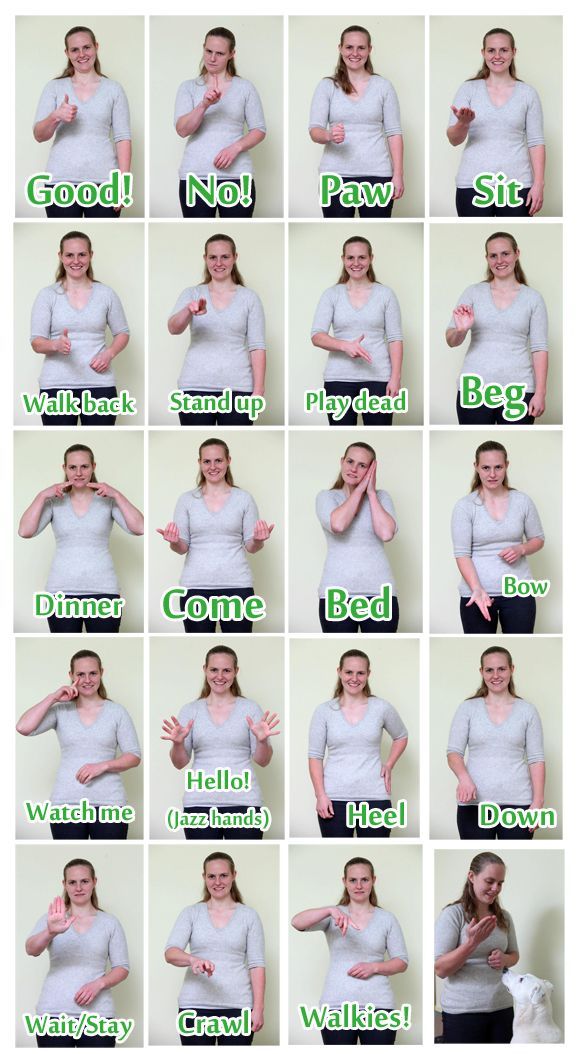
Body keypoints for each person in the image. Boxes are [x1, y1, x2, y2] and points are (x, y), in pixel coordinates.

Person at [18, 442, 144, 634]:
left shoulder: (108, 500)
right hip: (61, 593)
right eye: (72, 467)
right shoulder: (53, 502)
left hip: (103, 593)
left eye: (84, 466)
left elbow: (139, 527)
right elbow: (25, 531)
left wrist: (117, 494)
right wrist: (42, 495)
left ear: (93, 467)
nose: (78, 473)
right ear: (64, 468)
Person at [16, 649, 141, 840]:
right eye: (80, 674)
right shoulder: (61, 711)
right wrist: (53, 698)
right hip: (66, 804)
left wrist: (104, 765)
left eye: (93, 673)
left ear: (101, 673)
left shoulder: (117, 712)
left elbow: (133, 756)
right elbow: (23, 727)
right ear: (71, 676)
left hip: (109, 803)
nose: (87, 680)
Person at [161, 645, 279, 840]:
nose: (220, 676)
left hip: (245, 803)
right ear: (205, 670)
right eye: (214, 669)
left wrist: (263, 741)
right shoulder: (191, 710)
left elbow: (263, 761)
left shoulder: (250, 708)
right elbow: (179, 762)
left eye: (227, 670)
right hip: (199, 804)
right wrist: (178, 744)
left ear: (236, 672)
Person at [157, 439, 274, 634]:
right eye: (207, 461)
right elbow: (182, 548)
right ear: (199, 463)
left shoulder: (244, 498)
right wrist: (174, 541)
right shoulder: (186, 500)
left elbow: (251, 547)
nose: (213, 467)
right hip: (195, 588)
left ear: (228, 461)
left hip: (237, 587)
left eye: (218, 460)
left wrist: (259, 539)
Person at [291, 856, 408, 1045]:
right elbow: (296, 922)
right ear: (344, 882)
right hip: (336, 1006)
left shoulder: (387, 919)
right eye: (353, 880)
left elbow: (402, 962)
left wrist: (374, 967)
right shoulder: (333, 916)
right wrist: (329, 910)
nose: (359, 885)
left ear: (373, 881)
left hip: (378, 1006)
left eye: (365, 879)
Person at [446, 232, 548, 425]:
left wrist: (540, 393)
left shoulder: (533, 299)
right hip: (474, 390)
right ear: (487, 259)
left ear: (517, 254)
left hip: (518, 391)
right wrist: (461, 330)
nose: (499, 260)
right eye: (493, 255)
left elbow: (539, 348)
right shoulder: (473, 293)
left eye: (505, 253)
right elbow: (451, 340)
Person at [26, 858, 130, 1048]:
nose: (78, 887)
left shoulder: (109, 922)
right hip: (53, 1015)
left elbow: (122, 967)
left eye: (84, 881)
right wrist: (51, 931)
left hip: (98, 1017)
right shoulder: (52, 919)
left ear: (94, 882)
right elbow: (31, 949)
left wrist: (99, 983)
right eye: (72, 882)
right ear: (64, 884)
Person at [165, 852, 265, 1046]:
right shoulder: (191, 913)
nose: (217, 882)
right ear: (204, 877)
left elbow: (257, 964)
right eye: (211, 876)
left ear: (234, 875)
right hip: (194, 1007)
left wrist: (258, 1008)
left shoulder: (249, 916)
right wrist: (192, 959)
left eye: (223, 875)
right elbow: (170, 952)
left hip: (238, 1006)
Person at [30, 231, 130, 427]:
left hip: (100, 385)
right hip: (56, 387)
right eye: (69, 255)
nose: (76, 261)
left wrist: (109, 354)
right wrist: (55, 345)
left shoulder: (106, 294)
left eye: (82, 254)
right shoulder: (47, 295)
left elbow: (122, 333)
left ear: (91, 255)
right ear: (60, 256)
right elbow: (36, 342)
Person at [446, 646, 545, 840]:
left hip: (518, 805)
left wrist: (537, 802)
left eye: (502, 669)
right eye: (489, 670)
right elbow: (453, 752)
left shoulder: (527, 710)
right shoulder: (468, 708)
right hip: (474, 805)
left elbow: (536, 759)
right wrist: (464, 777)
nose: (496, 675)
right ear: (481, 672)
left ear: (512, 669)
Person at [33, 26, 131, 218]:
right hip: (60, 184)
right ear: (67, 53)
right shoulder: (54, 87)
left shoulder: (114, 89)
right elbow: (39, 135)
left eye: (86, 47)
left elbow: (123, 139)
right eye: (75, 49)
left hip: (104, 184)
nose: (81, 54)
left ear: (96, 47)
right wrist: (56, 116)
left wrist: (123, 185)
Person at [308, 649, 408, 838]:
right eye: (349, 672)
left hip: (375, 798)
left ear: (368, 674)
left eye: (360, 673)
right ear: (339, 672)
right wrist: (320, 795)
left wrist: (389, 764)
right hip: (334, 798)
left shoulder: (381, 707)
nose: (354, 678)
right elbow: (315, 756)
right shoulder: (324, 711)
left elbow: (401, 736)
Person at [168, 234, 266, 426]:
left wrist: (258, 391)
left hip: (238, 390)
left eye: (225, 257)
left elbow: (257, 347)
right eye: (213, 257)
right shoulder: (192, 294)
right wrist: (189, 311)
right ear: (205, 258)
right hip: (194, 388)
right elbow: (173, 328)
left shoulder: (249, 298)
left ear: (235, 258)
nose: (218, 263)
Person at [446, 28, 545, 217]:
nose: (497, 56)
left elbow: (536, 142)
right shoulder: (468, 89)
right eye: (491, 50)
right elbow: (454, 139)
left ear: (513, 52)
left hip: (517, 184)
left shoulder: (528, 93)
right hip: (473, 184)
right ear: (483, 53)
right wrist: (463, 123)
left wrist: (538, 184)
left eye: (504, 50)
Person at [309, 25, 403, 219]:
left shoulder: (383, 86)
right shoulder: (327, 86)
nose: (355, 53)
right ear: (340, 49)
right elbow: (314, 130)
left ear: (370, 49)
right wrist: (328, 135)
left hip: (377, 175)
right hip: (335, 177)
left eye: (361, 48)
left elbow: (394, 133)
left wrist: (398, 175)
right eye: (349, 47)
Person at [451, 440, 545, 634]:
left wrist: (521, 549)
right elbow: (462, 554)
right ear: (476, 467)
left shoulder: (522, 501)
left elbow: (538, 538)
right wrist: (477, 589)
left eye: (498, 467)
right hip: (477, 594)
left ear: (506, 466)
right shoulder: (465, 506)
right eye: (486, 467)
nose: (492, 474)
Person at [175, 27, 266, 218]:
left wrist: (235, 148)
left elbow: (259, 130)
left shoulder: (245, 88)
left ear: (231, 54)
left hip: (236, 177)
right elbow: (183, 130)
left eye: (220, 53)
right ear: (203, 48)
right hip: (196, 177)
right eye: (208, 51)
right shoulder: (189, 87)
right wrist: (204, 105)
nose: (212, 58)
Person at [311, 237, 403, 426]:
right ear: (343, 259)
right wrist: (344, 345)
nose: (356, 263)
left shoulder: (386, 294)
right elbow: (317, 336)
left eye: (362, 257)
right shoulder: (332, 294)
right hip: (338, 379)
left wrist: (395, 378)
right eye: (350, 258)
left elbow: (395, 339)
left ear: (371, 258)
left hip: (379, 379)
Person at [434, 851, 518, 1043]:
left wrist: (505, 959)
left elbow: (514, 955)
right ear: (471, 877)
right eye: (490, 881)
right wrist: (471, 943)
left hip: (502, 1008)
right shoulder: (452, 915)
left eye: (500, 883)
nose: (495, 888)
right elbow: (440, 969)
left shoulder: (504, 917)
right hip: (463, 1013)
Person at [316, 442, 399, 633]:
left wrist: (370, 492)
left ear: (372, 469)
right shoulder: (326, 497)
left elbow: (386, 533)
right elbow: (338, 525)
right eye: (350, 461)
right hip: (336, 595)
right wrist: (360, 489)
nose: (354, 468)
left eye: (362, 465)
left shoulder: (381, 497)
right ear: (342, 462)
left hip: (380, 594)